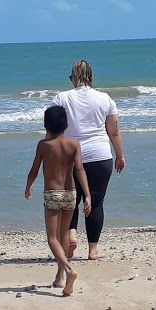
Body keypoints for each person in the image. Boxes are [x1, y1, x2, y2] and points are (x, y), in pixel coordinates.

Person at [53, 59, 125, 262]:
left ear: (72, 78)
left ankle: (72, 235)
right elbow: (114, 132)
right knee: (96, 202)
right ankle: (93, 250)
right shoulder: (105, 99)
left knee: (70, 200)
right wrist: (119, 155)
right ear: (91, 78)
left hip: (69, 156)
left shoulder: (61, 98)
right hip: (100, 155)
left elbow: (52, 128)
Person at [24, 104, 91, 296]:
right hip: (71, 193)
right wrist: (87, 195)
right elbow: (79, 170)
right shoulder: (73, 144)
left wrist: (28, 186)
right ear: (65, 125)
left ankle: (69, 270)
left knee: (52, 238)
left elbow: (35, 169)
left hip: (52, 193)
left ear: (46, 125)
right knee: (63, 235)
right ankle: (60, 278)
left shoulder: (43, 145)